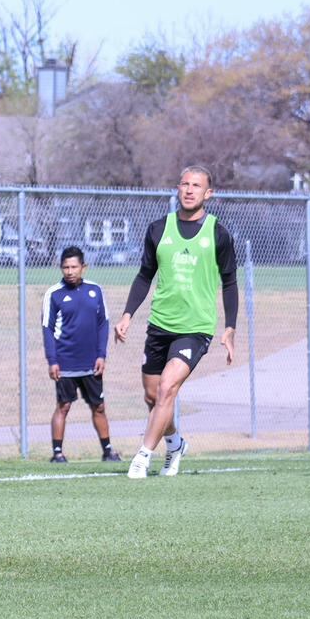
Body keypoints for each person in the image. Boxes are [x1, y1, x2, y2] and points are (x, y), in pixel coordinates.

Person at [114, 165, 237, 479]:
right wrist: (127, 314)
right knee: (153, 397)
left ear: (208, 193)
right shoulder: (158, 229)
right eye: (184, 184)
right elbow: (144, 275)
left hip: (195, 329)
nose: (189, 190)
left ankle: (142, 456)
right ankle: (175, 443)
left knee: (168, 389)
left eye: (197, 185)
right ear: (177, 188)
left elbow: (230, 283)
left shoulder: (218, 234)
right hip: (159, 326)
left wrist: (230, 327)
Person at [42, 246, 120, 464]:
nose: (70, 271)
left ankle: (108, 451)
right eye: (65, 267)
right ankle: (57, 453)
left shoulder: (95, 290)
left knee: (99, 407)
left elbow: (103, 323)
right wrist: (53, 360)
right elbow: (47, 328)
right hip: (65, 361)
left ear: (83, 267)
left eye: (74, 267)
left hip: (91, 362)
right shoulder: (54, 294)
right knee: (63, 406)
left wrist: (101, 355)